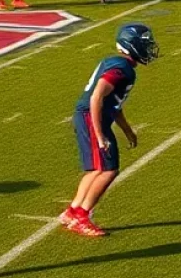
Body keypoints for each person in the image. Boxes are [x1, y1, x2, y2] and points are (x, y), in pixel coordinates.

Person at [60, 23, 159, 237]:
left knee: (97, 169)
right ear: (132, 45)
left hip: (90, 116)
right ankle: (82, 216)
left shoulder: (120, 64)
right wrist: (100, 134)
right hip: (91, 117)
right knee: (109, 169)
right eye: (145, 44)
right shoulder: (121, 69)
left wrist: (127, 131)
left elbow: (114, 104)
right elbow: (97, 96)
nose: (149, 47)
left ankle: (73, 211)